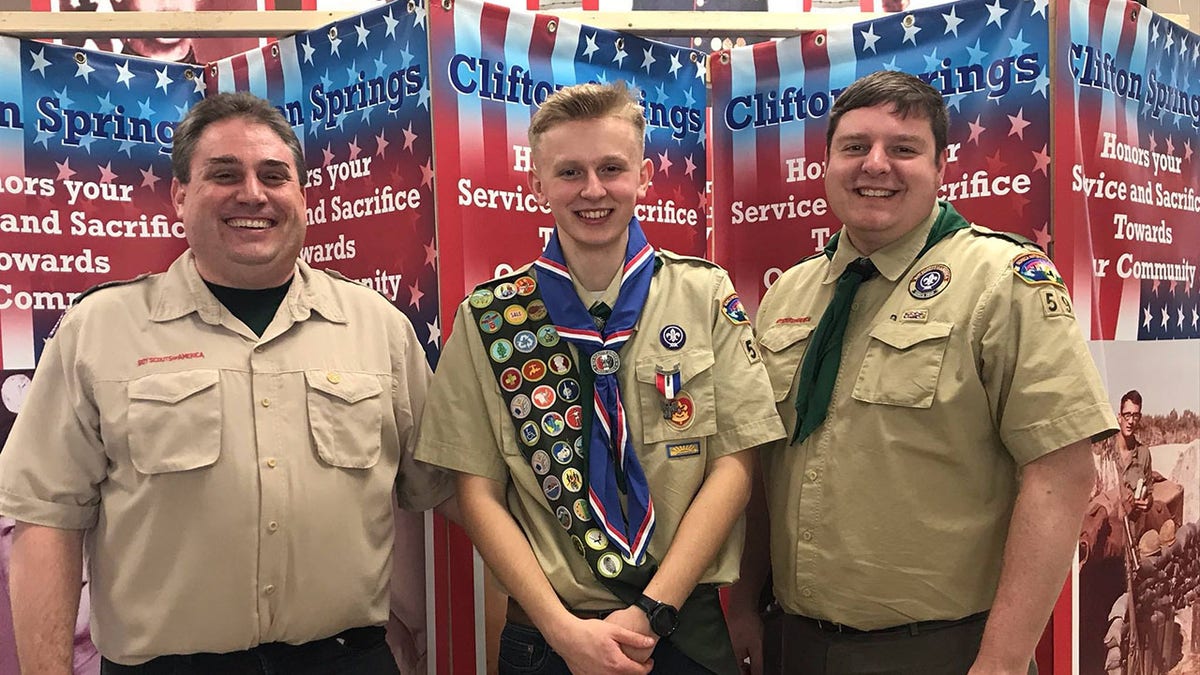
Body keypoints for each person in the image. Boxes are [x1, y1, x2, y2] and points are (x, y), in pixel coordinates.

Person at [0, 91, 453, 674]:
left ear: (302, 196)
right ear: (180, 195)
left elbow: (448, 484)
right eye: (224, 174)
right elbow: (46, 519)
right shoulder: (99, 330)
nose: (253, 194)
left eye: (274, 175)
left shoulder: (379, 328)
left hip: (344, 660)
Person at [727, 70, 1118, 675]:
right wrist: (745, 605)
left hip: (945, 651)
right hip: (795, 643)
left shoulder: (1002, 282)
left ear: (941, 169)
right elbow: (764, 465)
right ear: (826, 165)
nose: (875, 165)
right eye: (854, 147)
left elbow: (1061, 475)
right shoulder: (790, 293)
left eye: (903, 149)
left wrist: (1005, 659)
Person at [414, 81, 784, 675]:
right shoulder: (489, 318)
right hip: (549, 636)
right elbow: (476, 493)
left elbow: (736, 465)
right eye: (569, 172)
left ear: (643, 176)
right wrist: (563, 632)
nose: (592, 190)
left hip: (683, 629)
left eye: (611, 168)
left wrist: (651, 610)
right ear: (536, 185)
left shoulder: (705, 295)